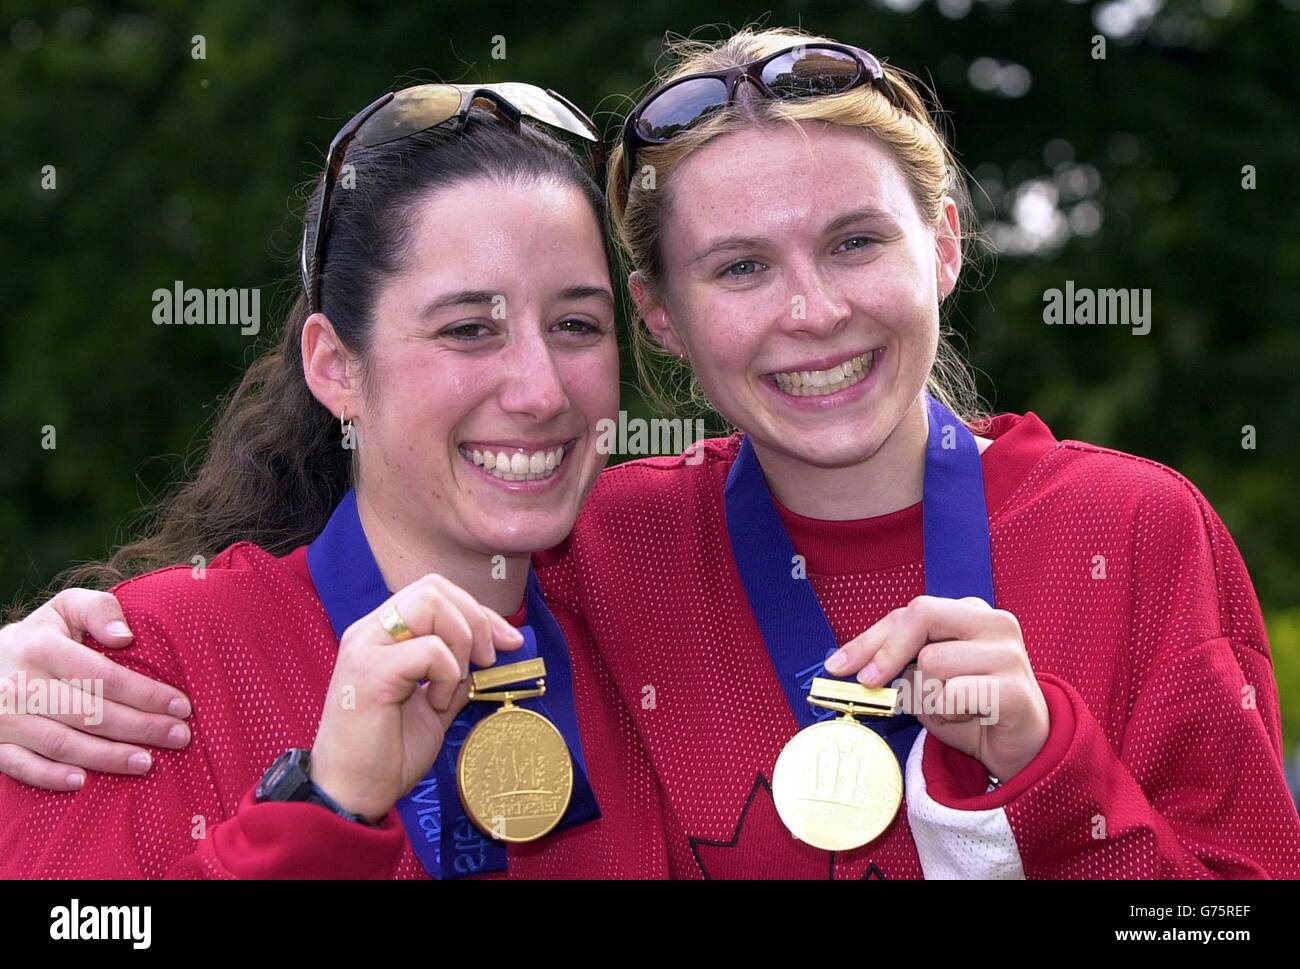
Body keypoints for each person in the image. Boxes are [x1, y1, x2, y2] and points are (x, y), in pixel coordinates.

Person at [5, 28, 1299, 879]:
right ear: (669, 315)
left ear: (947, 247)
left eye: (855, 241)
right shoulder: (601, 551)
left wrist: (1050, 768)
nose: (810, 311)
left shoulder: (1133, 531)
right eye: (740, 266)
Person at [0, 82, 672, 879]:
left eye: (575, 326)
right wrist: (323, 809)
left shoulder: (664, 598)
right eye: (467, 329)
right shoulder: (129, 676)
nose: (541, 390)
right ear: (336, 367)